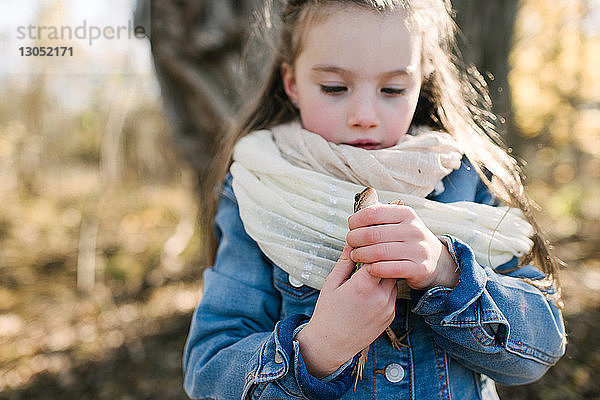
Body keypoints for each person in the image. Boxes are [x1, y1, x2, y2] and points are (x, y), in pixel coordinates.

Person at [183, 1, 566, 399]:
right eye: (334, 87)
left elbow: (541, 346)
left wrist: (446, 273)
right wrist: (318, 349)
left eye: (392, 89)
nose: (364, 115)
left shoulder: (465, 178)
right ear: (292, 82)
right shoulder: (258, 185)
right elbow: (208, 370)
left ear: (422, 82)